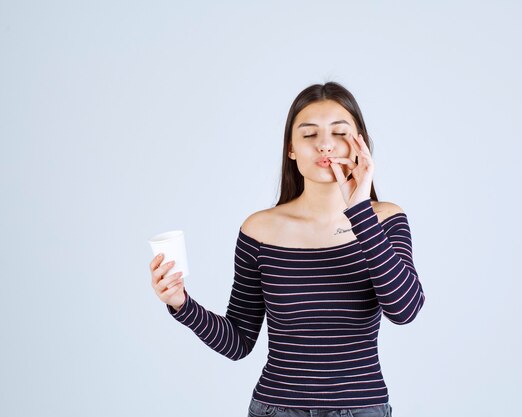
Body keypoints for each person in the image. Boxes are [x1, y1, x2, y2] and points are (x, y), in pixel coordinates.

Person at [149, 81, 425, 417]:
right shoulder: (259, 230)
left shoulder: (384, 219)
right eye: (309, 135)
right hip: (277, 409)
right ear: (291, 148)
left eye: (339, 133)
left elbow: (404, 310)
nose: (325, 145)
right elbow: (238, 342)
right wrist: (181, 304)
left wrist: (359, 209)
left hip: (361, 408)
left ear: (359, 145)